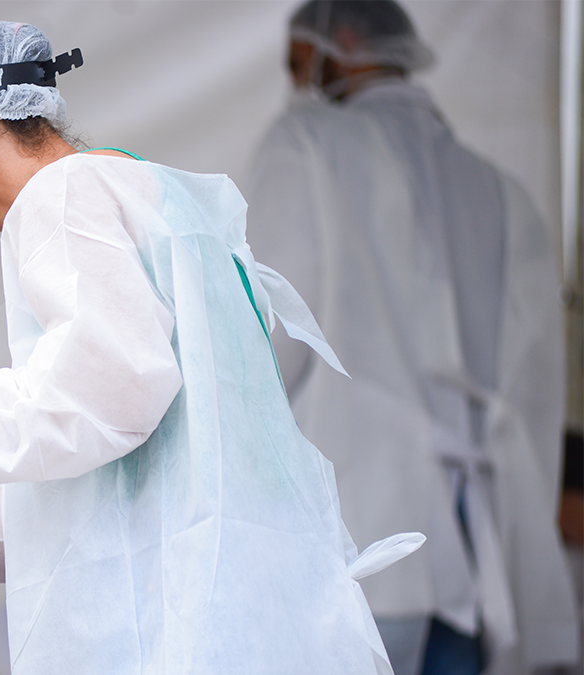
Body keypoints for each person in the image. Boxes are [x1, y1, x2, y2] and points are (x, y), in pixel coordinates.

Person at [0, 18, 423, 675]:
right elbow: (55, 524)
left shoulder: (62, 196)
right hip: (250, 618)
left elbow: (106, 399)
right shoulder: (153, 198)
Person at [242, 2, 579, 675]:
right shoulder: (501, 191)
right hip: (476, 546)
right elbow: (538, 385)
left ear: (340, 42)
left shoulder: (306, 142)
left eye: (298, 60)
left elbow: (270, 341)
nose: (297, 79)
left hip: (356, 535)